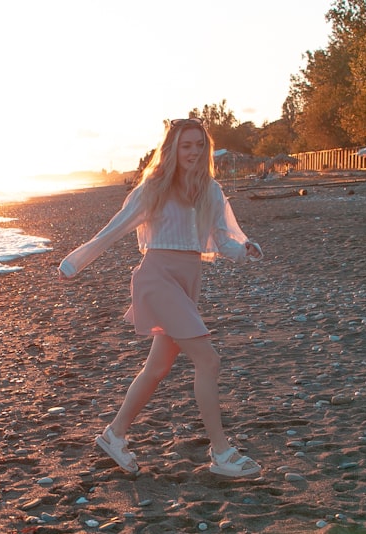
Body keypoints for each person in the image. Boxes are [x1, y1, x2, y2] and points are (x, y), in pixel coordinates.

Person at [58, 117, 264, 478]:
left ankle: (114, 434)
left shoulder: (209, 190)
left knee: (158, 368)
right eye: (186, 145)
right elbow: (115, 228)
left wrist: (244, 249)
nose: (194, 152)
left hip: (187, 279)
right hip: (157, 277)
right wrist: (76, 262)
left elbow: (221, 236)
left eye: (200, 145)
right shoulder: (153, 188)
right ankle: (221, 453)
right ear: (171, 149)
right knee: (208, 360)